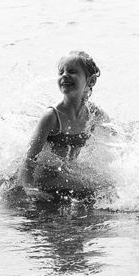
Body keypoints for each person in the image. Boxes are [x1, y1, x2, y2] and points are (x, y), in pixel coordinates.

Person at [20, 50, 106, 200]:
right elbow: (29, 158)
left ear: (91, 81)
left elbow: (114, 137)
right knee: (95, 191)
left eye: (72, 71)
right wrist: (29, 187)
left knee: (107, 186)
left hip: (65, 173)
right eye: (61, 72)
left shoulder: (93, 113)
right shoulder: (52, 116)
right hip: (46, 177)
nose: (65, 75)